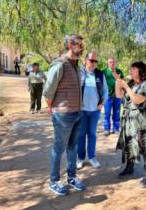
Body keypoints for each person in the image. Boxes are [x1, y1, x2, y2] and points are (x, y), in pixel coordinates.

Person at [43, 34, 86, 196]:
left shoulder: (76, 65)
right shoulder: (59, 65)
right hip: (63, 115)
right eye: (79, 45)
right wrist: (54, 108)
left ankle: (72, 177)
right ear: (70, 45)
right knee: (59, 148)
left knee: (72, 148)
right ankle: (54, 181)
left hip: (77, 113)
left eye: (82, 45)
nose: (82, 48)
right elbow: (48, 92)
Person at [115, 61, 146, 187]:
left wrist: (126, 87)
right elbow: (118, 96)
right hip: (129, 120)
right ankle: (129, 167)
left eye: (133, 69)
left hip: (142, 121)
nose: (131, 70)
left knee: (145, 147)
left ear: (140, 71)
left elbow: (137, 100)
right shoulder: (131, 83)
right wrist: (118, 82)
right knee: (130, 145)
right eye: (130, 68)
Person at [76, 52, 108, 169]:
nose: (94, 63)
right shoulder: (78, 72)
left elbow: (105, 91)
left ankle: (92, 157)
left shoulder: (100, 74)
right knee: (80, 135)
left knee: (92, 134)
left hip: (95, 110)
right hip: (82, 110)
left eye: (96, 61)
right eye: (92, 60)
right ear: (85, 60)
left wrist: (102, 103)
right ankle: (80, 158)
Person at [103, 58, 124, 136]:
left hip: (117, 96)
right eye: (110, 62)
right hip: (107, 96)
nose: (112, 63)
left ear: (116, 63)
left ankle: (116, 129)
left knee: (117, 113)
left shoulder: (119, 71)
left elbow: (123, 82)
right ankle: (106, 129)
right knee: (107, 113)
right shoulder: (104, 72)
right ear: (108, 63)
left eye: (113, 62)